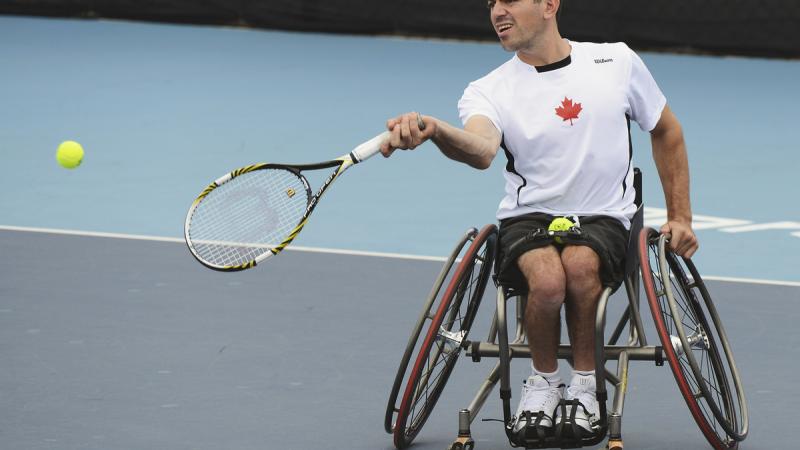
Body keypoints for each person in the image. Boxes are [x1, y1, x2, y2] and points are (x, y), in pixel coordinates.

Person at [381, 0, 698, 442]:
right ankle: (543, 385)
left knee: (582, 266)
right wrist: (435, 130)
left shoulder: (616, 62)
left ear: (549, 4)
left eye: (509, 0)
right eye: (491, 3)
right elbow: (481, 148)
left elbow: (667, 130)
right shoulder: (488, 89)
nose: (497, 11)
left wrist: (680, 217)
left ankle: (585, 386)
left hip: (604, 215)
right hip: (528, 218)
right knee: (547, 281)